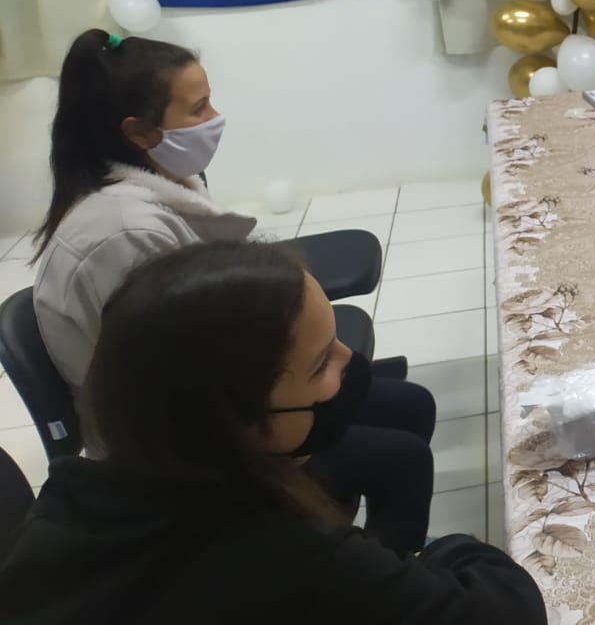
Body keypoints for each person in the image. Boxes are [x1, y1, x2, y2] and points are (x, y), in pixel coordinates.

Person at [29, 29, 437, 552]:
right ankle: (358, 578)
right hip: (180, 454)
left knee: (409, 404)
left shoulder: (155, 187)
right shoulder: (124, 236)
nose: (214, 117)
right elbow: (187, 389)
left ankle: (343, 548)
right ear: (140, 132)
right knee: (403, 459)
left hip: (219, 398)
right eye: (198, 108)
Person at [0, 242, 547, 625]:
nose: (349, 362)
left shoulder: (70, 495)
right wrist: (448, 552)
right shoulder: (291, 559)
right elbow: (510, 609)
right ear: (239, 419)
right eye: (321, 364)